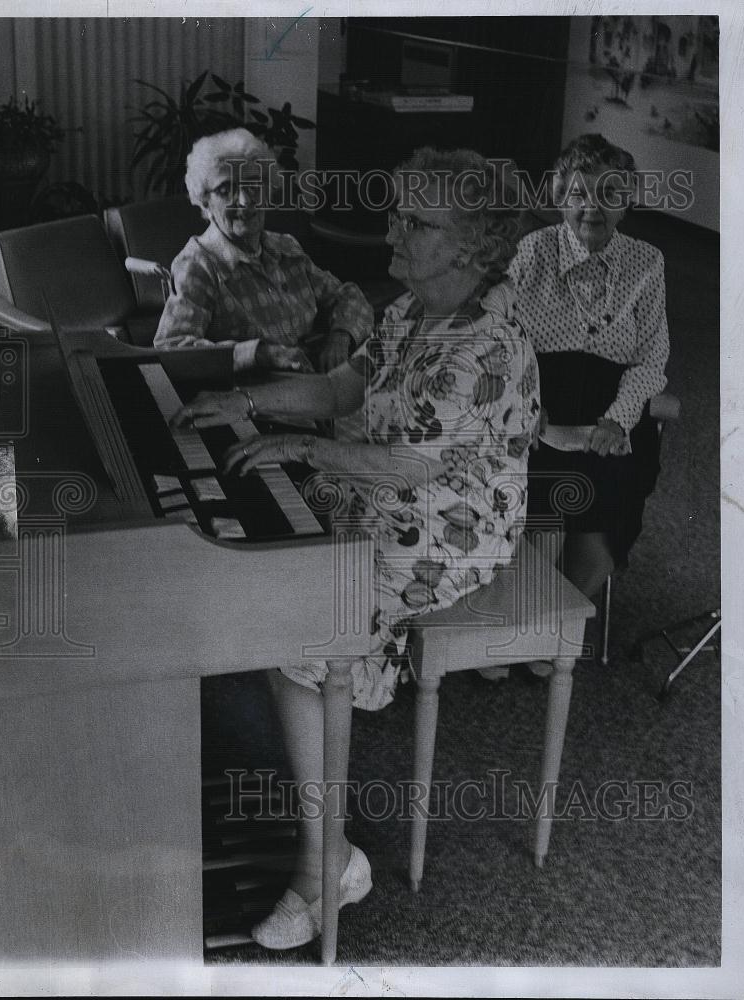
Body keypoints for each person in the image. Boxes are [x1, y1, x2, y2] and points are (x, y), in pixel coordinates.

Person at [172, 147, 541, 949]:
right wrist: (244, 398)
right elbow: (344, 391)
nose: (392, 230)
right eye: (397, 211)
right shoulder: (409, 309)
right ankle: (321, 835)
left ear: (472, 246)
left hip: (453, 524)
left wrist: (299, 451)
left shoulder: (488, 342)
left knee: (303, 621)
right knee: (271, 567)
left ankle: (324, 865)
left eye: (418, 221)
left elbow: (414, 462)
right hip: (387, 488)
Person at [510, 133, 670, 600]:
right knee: (542, 532)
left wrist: (616, 420)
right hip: (541, 403)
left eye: (610, 194)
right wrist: (523, 401)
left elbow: (652, 358)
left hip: (611, 414)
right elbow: (504, 338)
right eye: (580, 193)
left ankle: (554, 622)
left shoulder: (648, 262)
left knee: (597, 549)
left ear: (627, 203)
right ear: (560, 198)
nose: (592, 207)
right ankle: (525, 618)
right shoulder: (533, 251)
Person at [154, 128, 373, 372]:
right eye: (226, 190)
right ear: (205, 200)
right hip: (258, 392)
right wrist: (258, 354)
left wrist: (340, 337)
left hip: (317, 381)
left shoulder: (286, 248)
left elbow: (348, 297)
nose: (245, 201)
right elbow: (172, 350)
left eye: (253, 186)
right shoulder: (199, 265)